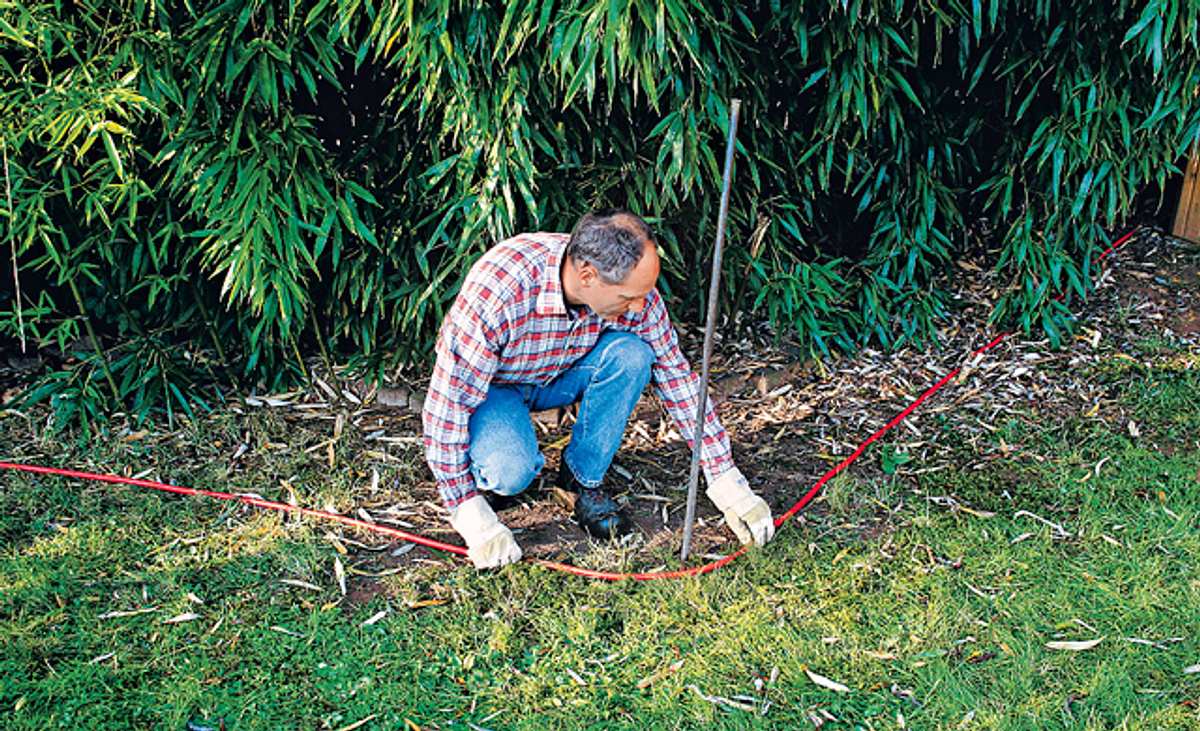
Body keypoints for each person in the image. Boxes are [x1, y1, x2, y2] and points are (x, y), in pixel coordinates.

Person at [422, 209, 775, 569]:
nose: (640, 306)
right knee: (510, 473)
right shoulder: (500, 290)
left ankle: (579, 479)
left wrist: (727, 481)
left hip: (562, 372)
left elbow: (676, 376)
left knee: (635, 355)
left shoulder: (633, 293)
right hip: (495, 388)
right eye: (628, 297)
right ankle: (493, 480)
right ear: (588, 276)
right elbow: (447, 406)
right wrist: (470, 514)